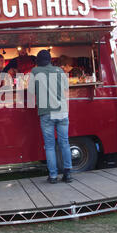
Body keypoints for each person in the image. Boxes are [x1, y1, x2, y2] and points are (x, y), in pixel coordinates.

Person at [29, 49, 73, 184]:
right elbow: (66, 92)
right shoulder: (60, 71)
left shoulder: (35, 72)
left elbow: (31, 92)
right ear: (50, 60)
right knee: (64, 143)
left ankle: (53, 176)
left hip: (46, 112)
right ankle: (68, 174)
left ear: (38, 61)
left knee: (49, 146)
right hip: (62, 111)